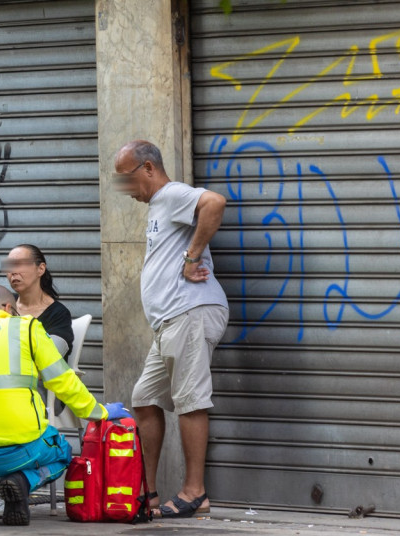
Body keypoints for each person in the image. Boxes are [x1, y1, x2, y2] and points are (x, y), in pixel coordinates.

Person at [0, 284, 129, 526]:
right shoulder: (26, 328)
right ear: (7, 308)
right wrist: (98, 412)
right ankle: (22, 480)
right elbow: (62, 379)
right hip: (21, 451)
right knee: (63, 452)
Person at [113, 140, 229, 518]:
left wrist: (191, 257)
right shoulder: (158, 206)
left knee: (191, 400)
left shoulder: (172, 193)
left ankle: (195, 492)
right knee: (145, 399)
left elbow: (214, 202)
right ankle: (147, 491)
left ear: (148, 168)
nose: (127, 190)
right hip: (169, 322)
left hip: (190, 313)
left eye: (128, 180)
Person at [4, 244, 73, 358]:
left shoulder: (58, 314)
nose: (13, 272)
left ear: (40, 269)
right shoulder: (4, 304)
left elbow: (50, 359)